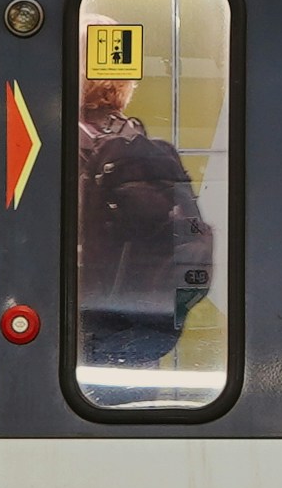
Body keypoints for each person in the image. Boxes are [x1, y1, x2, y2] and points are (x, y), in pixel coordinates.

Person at [74, 72, 210, 372]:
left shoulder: (58, 148)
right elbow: (194, 235)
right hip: (145, 335)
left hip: (77, 330)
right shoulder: (149, 150)